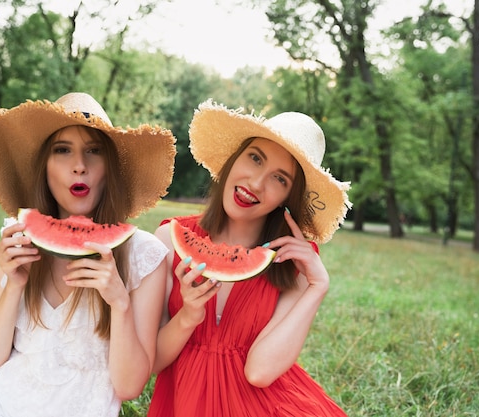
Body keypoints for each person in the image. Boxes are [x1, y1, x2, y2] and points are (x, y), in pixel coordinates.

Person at [0, 92, 177, 417]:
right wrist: (14, 285)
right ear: (45, 166)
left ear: (110, 167)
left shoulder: (144, 254)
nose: (79, 166)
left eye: (94, 151)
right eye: (62, 150)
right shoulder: (20, 235)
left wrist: (119, 303)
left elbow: (128, 387)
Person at [147, 99, 351, 417]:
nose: (256, 183)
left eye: (279, 179)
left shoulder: (295, 264)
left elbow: (260, 372)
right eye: (255, 158)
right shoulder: (169, 240)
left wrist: (317, 287)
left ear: (289, 197)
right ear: (234, 158)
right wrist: (187, 316)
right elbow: (153, 361)